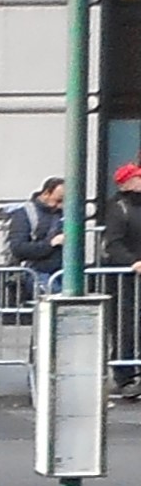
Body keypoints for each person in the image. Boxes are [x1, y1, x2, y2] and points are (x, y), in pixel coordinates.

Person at [103, 163, 141, 397]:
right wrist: (132, 262)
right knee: (124, 325)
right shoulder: (118, 207)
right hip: (124, 277)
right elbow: (113, 242)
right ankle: (124, 373)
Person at [5, 178, 65, 291]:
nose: (61, 206)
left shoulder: (64, 214)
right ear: (46, 193)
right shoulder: (24, 214)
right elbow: (18, 248)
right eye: (58, 200)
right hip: (36, 272)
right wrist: (51, 244)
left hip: (62, 271)